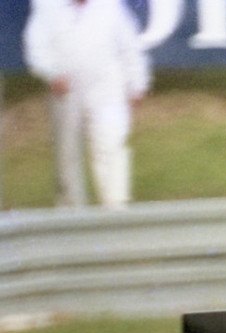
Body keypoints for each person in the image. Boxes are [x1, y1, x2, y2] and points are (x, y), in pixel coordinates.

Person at [22, 0, 151, 210]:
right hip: (66, 90)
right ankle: (71, 213)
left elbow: (129, 45)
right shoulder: (46, 5)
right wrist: (51, 73)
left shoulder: (110, 6)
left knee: (111, 143)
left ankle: (116, 209)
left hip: (107, 88)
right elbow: (36, 45)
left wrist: (137, 82)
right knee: (67, 155)